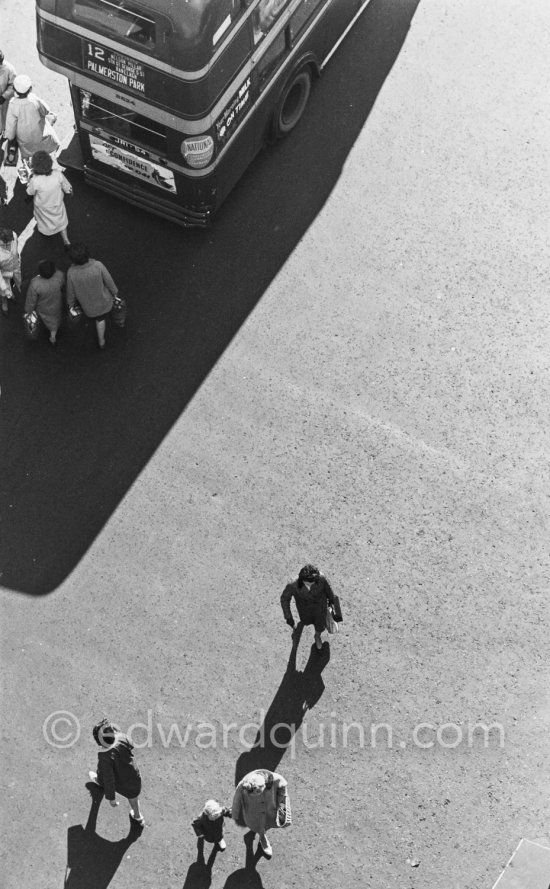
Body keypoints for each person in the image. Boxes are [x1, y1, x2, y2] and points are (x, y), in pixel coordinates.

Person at [88, 718, 144, 825]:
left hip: (121, 782)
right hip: (133, 776)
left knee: (103, 775)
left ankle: (99, 781)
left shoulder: (104, 756)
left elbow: (109, 778)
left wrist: (111, 798)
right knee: (133, 798)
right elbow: (131, 744)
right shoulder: (121, 738)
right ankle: (138, 816)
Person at [66, 243, 118, 349]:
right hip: (104, 301)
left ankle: (101, 341)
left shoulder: (71, 273)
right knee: (101, 320)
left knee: (98, 319)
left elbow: (70, 291)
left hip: (88, 306)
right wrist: (115, 292)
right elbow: (109, 281)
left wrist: (70, 304)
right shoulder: (98, 265)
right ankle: (101, 340)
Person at [232, 769, 290, 859]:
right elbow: (236, 799)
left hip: (269, 810)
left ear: (263, 785)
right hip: (252, 813)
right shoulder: (243, 785)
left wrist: (281, 807)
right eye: (254, 794)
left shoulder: (276, 779)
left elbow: (283, 791)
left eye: (259, 792)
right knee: (258, 826)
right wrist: (235, 813)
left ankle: (262, 833)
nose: (258, 795)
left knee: (267, 824)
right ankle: (263, 839)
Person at [280, 564, 337, 652]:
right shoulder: (293, 584)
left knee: (320, 625)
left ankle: (317, 636)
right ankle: (300, 627)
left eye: (313, 582)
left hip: (320, 609)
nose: (311, 584)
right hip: (305, 611)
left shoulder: (321, 578)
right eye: (308, 583)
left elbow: (329, 590)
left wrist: (333, 602)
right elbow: (285, 599)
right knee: (306, 621)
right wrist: (288, 617)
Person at [4, 74, 60, 164]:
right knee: (51, 119)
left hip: (24, 139)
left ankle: (26, 164)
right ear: (30, 89)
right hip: (39, 135)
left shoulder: (12, 104)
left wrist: (10, 138)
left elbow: (10, 125)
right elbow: (46, 111)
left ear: (14, 89)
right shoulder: (34, 100)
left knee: (25, 153)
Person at [26, 150, 72, 247]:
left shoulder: (35, 180)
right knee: (61, 222)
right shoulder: (57, 174)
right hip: (57, 204)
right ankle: (66, 241)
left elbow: (30, 192)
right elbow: (67, 188)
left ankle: (47, 234)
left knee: (45, 223)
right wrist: (69, 192)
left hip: (43, 208)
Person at [24, 260, 65, 344]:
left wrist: (28, 310)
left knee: (44, 318)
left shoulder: (35, 283)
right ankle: (53, 337)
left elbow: (31, 299)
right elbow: (63, 285)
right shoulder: (59, 275)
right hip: (56, 304)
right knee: (54, 321)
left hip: (42, 307)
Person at [0, 228, 22, 315]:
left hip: (15, 268)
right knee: (2, 290)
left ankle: (11, 292)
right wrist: (5, 289)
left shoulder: (14, 235)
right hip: (3, 273)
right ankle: (4, 302)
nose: (7, 246)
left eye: (9, 243)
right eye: (3, 245)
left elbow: (16, 247)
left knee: (14, 282)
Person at [0, 50, 16, 140]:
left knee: (5, 120)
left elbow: (13, 85)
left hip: (4, 103)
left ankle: (5, 132)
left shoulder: (9, 69)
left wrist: (4, 96)